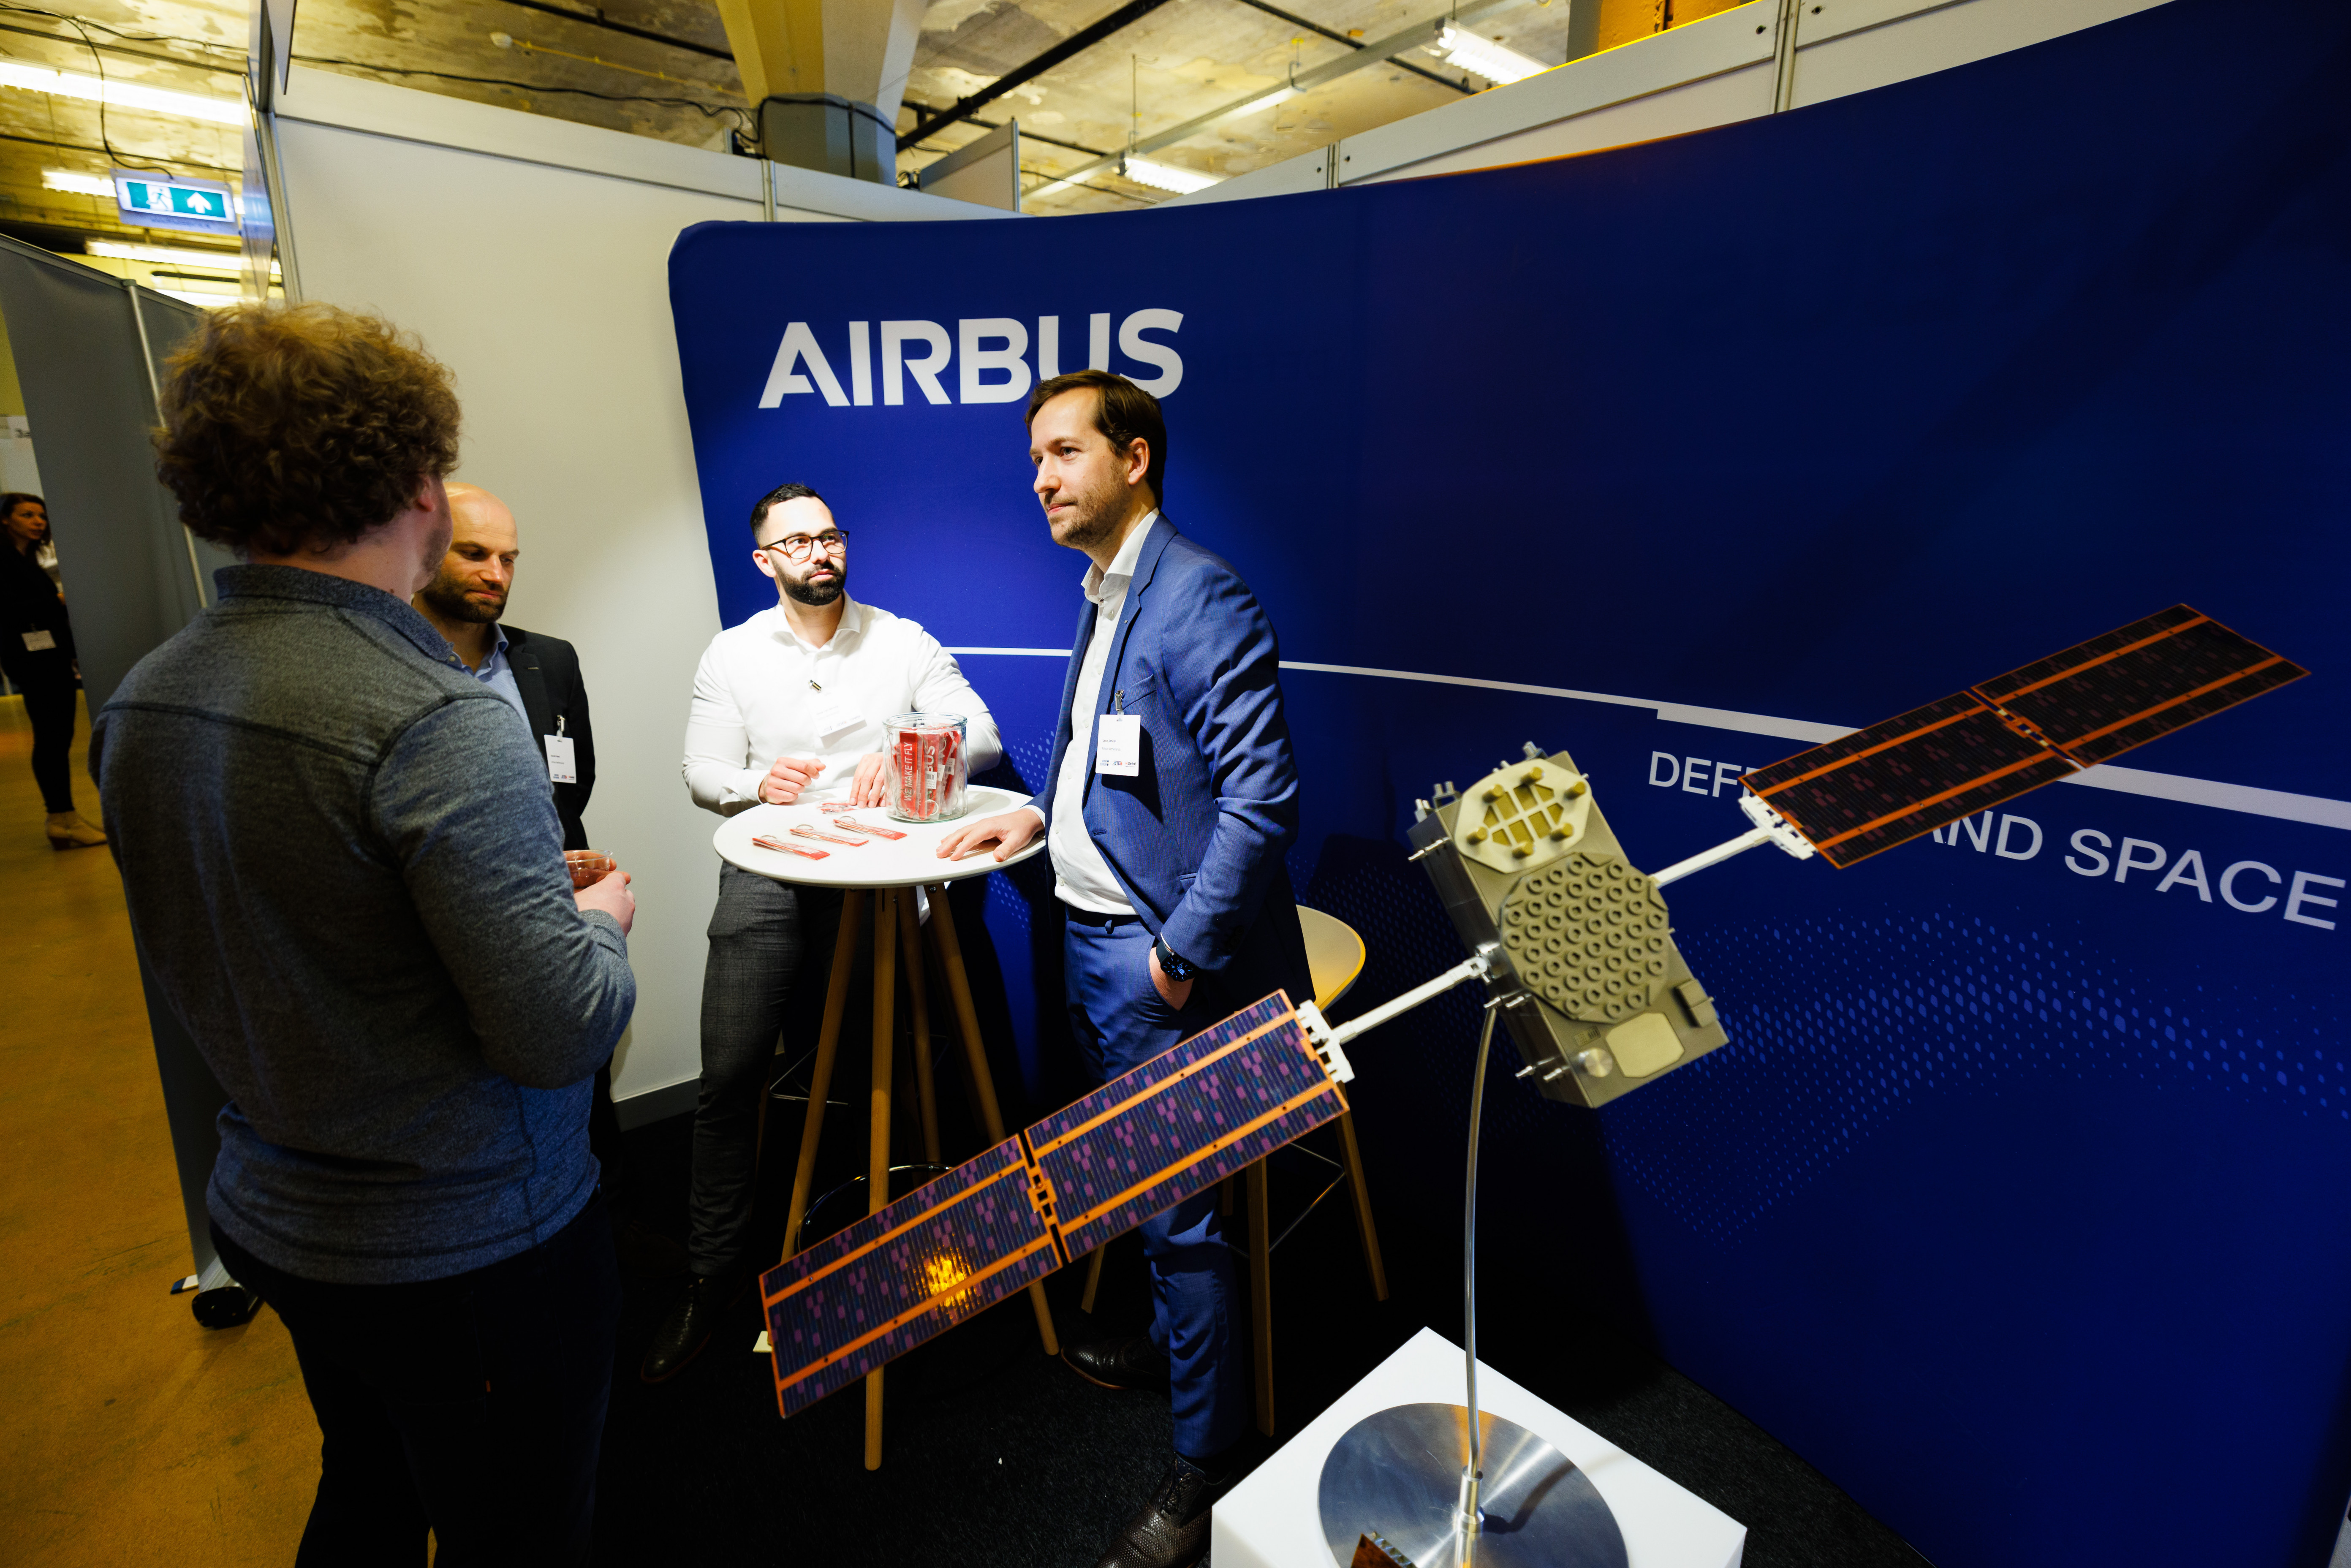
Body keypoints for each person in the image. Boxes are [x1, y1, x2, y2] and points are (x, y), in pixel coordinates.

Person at [95, 302, 639, 1566]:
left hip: (280, 1215)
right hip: (471, 1244)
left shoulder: (144, 699)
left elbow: (291, 930)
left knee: (372, 1491)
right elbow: (559, 1030)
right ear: (417, 488)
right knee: (517, 1531)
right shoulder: (436, 715)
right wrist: (598, 922)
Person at [938, 370, 1312, 1568]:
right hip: (1093, 946)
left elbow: (1261, 800)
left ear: (1134, 457)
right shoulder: (1107, 590)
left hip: (1156, 972)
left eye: (1062, 452)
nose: (1040, 478)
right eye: (1033, 460)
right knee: (1147, 1196)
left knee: (1184, 1219)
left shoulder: (1198, 593)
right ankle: (1171, 1351)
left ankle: (1206, 1462)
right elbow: (1110, 769)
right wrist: (1034, 822)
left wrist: (1177, 959)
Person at [653, 481, 1004, 1382]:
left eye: (830, 535)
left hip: (881, 871)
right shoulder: (732, 653)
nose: (820, 551)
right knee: (731, 1073)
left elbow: (983, 735)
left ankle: (919, 1252)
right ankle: (713, 1272)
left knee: (893, 1067)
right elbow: (701, 770)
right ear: (764, 560)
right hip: (771, 865)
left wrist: (907, 748)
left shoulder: (900, 638)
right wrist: (755, 783)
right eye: (797, 541)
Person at [411, 483, 595, 848]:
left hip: (549, 871)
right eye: (474, 554)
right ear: (422, 552)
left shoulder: (552, 659)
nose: (496, 575)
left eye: (508, 559)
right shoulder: (384, 656)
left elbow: (572, 791)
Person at [0, 492, 104, 847]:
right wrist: (57, 600)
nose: (38, 522)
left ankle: (63, 817)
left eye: (41, 516)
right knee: (51, 738)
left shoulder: (26, 559)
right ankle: (61, 817)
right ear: (5, 519)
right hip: (32, 661)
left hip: (48, 658)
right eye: (27, 515)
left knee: (57, 737)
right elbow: (11, 609)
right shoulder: (5, 559)